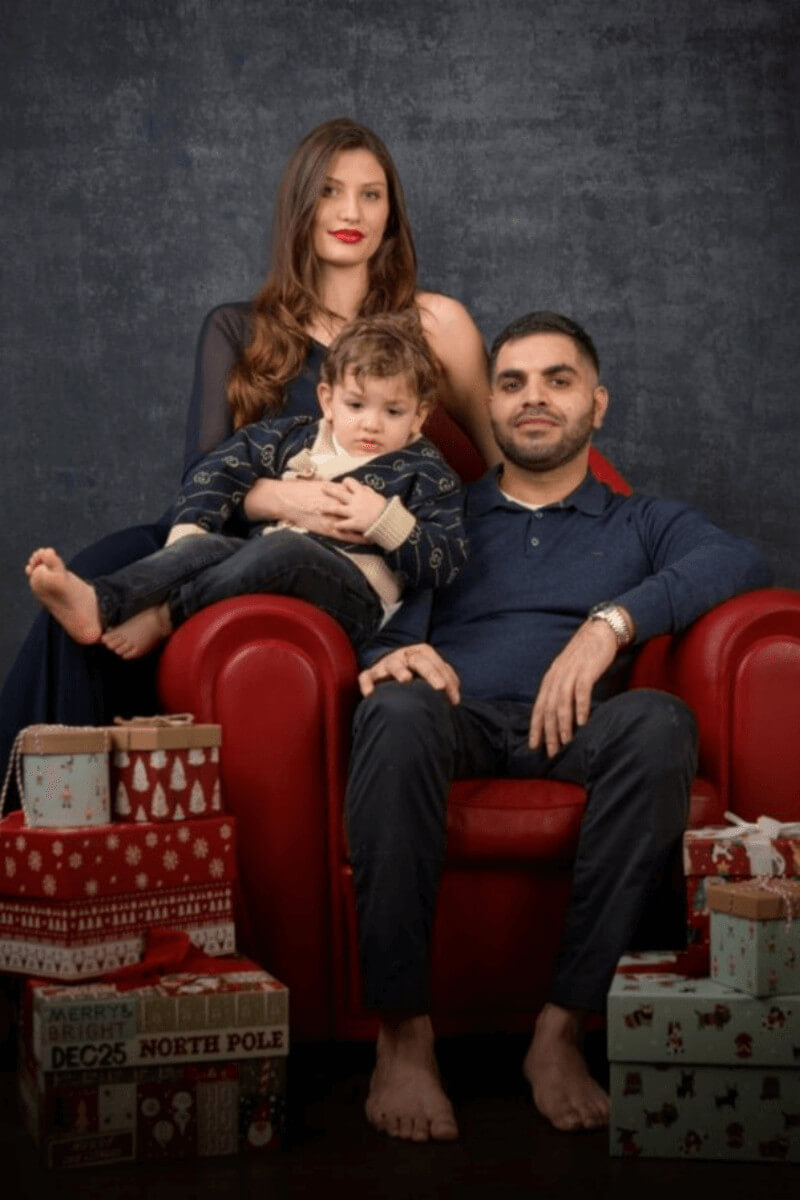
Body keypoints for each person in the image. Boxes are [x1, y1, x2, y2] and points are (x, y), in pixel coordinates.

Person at [345, 310, 772, 1143]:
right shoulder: (441, 517)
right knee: (392, 708)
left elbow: (739, 561)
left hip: (580, 730)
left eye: (558, 380)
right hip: (455, 719)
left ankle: (561, 1028)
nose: (533, 397)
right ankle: (402, 1034)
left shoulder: (640, 521)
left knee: (659, 722)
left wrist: (611, 623)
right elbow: (383, 621)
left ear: (596, 404)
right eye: (512, 383)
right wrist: (395, 657)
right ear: (490, 406)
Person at [0, 116, 494, 791]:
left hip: (351, 563)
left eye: (371, 194)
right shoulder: (238, 328)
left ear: (392, 213)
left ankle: (154, 636)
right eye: (330, 191)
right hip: (222, 529)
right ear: (300, 206)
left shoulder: (436, 324)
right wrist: (294, 499)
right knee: (89, 579)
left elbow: (496, 474)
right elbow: (202, 477)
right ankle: (33, 816)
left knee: (253, 565)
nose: (351, 212)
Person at [26, 314, 466, 656]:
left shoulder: (425, 470)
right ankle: (102, 602)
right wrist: (189, 533)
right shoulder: (294, 437)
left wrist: (385, 520)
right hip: (266, 562)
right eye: (356, 405)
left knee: (286, 549)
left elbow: (446, 561)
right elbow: (218, 469)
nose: (371, 424)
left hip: (355, 598)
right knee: (207, 548)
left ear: (419, 415)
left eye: (393, 411)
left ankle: (167, 616)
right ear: (328, 400)